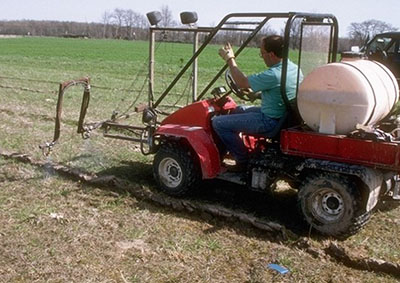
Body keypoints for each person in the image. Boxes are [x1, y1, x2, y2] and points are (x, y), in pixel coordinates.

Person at [212, 35, 303, 171]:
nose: (262, 56)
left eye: (262, 53)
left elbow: (241, 82)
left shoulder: (274, 74)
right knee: (238, 109)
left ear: (271, 54)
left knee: (218, 123)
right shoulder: (293, 68)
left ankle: (242, 161)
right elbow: (282, 92)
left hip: (269, 121)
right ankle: (234, 147)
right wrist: (258, 94)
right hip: (281, 116)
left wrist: (230, 59)